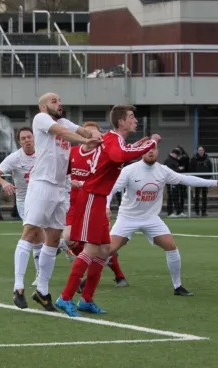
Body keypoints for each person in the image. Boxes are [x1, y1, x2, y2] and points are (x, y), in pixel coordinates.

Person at [56, 105, 159, 317]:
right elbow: (118, 156)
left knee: (104, 250)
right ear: (121, 122)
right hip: (92, 197)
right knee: (91, 250)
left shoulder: (117, 140)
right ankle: (65, 298)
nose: (135, 120)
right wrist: (150, 143)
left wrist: (136, 146)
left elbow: (120, 153)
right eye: (131, 117)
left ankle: (86, 300)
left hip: (98, 197)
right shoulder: (113, 139)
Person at [13, 92, 102, 311]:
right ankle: (18, 286)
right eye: (54, 101)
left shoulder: (63, 120)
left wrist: (95, 134)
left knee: (53, 238)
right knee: (31, 232)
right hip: (42, 183)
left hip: (59, 188)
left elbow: (79, 129)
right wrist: (85, 140)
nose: (59, 103)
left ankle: (42, 291)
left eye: (60, 100)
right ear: (43, 106)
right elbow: (66, 133)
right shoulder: (41, 119)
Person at [106, 146, 218, 298]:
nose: (150, 152)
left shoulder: (163, 170)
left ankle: (177, 286)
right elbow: (111, 189)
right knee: (107, 250)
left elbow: (185, 179)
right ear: (141, 152)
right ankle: (86, 281)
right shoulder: (130, 170)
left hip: (151, 218)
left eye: (153, 149)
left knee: (171, 247)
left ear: (158, 152)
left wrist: (215, 183)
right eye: (147, 149)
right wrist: (106, 206)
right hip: (128, 217)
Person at [62, 121, 128, 288]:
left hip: (95, 203)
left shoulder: (103, 154)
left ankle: (119, 275)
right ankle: (88, 270)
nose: (90, 137)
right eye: (87, 133)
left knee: (101, 246)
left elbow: (109, 182)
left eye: (94, 134)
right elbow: (63, 175)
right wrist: (71, 181)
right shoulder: (73, 152)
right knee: (69, 239)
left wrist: (106, 205)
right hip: (76, 204)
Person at [0, 127, 42, 287]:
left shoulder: (43, 153)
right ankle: (39, 274)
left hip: (44, 198)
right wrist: (4, 182)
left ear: (34, 138)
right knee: (35, 236)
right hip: (25, 202)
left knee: (48, 236)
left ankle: (59, 245)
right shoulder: (15, 158)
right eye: (23, 138)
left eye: (29, 137)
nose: (27, 140)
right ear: (19, 142)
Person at [190, 146, 212, 216]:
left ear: (204, 151)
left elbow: (210, 169)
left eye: (202, 150)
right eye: (199, 150)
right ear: (197, 151)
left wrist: (209, 178)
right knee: (196, 196)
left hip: (205, 180)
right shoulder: (194, 159)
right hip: (196, 180)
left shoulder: (207, 159)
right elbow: (191, 169)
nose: (201, 151)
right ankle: (197, 211)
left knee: (204, 196)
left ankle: (204, 211)